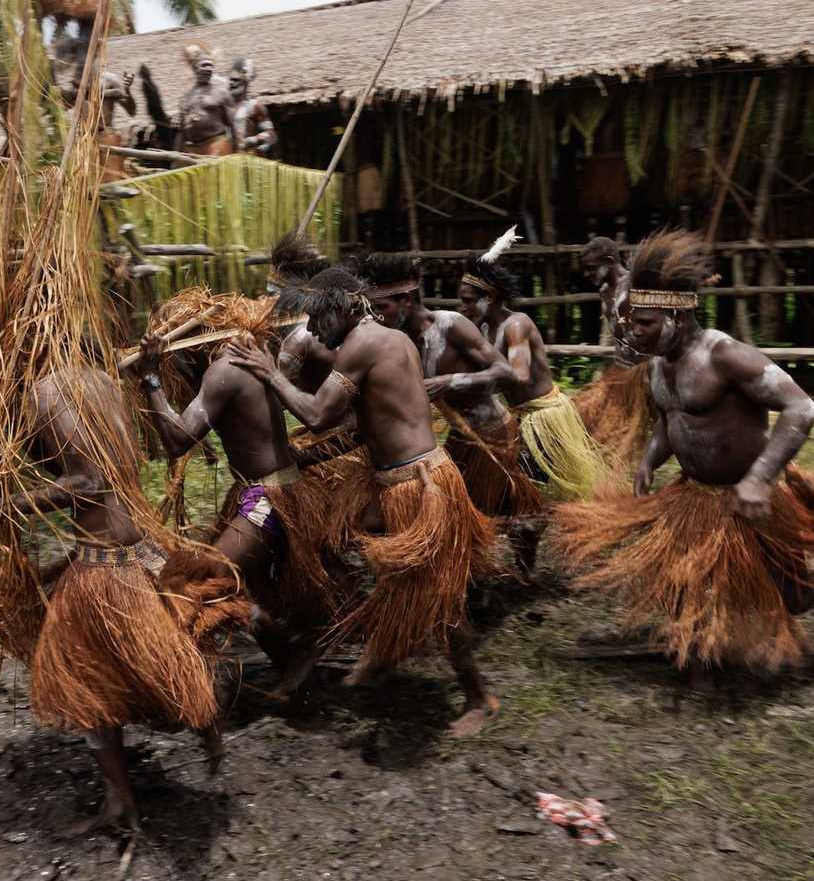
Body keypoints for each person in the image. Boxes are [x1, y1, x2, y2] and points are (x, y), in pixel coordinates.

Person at [552, 230, 814, 672]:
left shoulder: (726, 355)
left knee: (793, 594)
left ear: (677, 315)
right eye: (631, 322)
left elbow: (802, 408)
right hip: (693, 497)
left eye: (644, 324)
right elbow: (669, 417)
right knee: (681, 580)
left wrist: (758, 479)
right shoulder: (658, 359)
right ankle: (700, 650)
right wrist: (650, 460)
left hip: (748, 499)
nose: (632, 333)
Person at [229, 265, 502, 737]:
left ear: (345, 309)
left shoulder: (363, 345)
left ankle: (480, 696)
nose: (313, 332)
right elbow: (364, 429)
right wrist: (305, 459)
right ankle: (376, 647)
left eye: (318, 322)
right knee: (333, 542)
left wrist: (270, 373)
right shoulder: (389, 338)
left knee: (441, 598)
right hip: (397, 482)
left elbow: (316, 415)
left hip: (418, 488)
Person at [6, 365, 247, 833]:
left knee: (84, 681)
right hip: (141, 551)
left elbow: (88, 481)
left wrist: (11, 503)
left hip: (105, 567)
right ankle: (206, 734)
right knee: (167, 657)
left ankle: (122, 801)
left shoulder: (45, 389)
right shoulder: (100, 380)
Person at [133, 294, 334, 695]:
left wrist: (151, 377)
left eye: (177, 359)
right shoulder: (241, 357)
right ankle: (291, 657)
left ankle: (297, 653)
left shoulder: (225, 370)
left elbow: (176, 441)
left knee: (213, 576)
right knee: (248, 584)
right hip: (266, 491)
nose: (180, 368)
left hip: (270, 498)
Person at [354, 250, 537, 534]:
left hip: (493, 432)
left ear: (406, 300)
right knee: (471, 508)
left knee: (479, 515)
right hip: (460, 435)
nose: (376, 317)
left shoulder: (451, 324)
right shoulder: (398, 342)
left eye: (382, 307)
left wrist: (451, 381)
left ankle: (522, 541)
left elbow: (506, 371)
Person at [457, 235, 617, 503]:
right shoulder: (483, 327)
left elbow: (519, 375)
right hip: (519, 417)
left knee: (566, 492)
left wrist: (465, 381)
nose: (464, 307)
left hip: (543, 418)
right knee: (524, 488)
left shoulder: (517, 325)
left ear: (491, 297)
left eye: (470, 300)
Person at [571, 236, 656, 470]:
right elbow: (614, 333)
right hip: (621, 371)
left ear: (609, 261)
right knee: (595, 424)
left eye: (591, 268)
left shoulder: (635, 287)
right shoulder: (606, 291)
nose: (587, 275)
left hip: (646, 372)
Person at [176, 45, 237, 156]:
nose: (209, 69)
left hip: (217, 145)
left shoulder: (222, 92)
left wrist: (238, 151)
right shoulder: (185, 99)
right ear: (195, 68)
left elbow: (234, 125)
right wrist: (176, 155)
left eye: (211, 66)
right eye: (204, 65)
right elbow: (181, 132)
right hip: (192, 149)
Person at [227, 58, 276, 157]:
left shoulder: (255, 106)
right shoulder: (224, 107)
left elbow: (271, 135)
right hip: (226, 159)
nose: (231, 83)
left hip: (249, 158)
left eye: (236, 80)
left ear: (245, 82)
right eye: (230, 80)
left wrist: (251, 141)